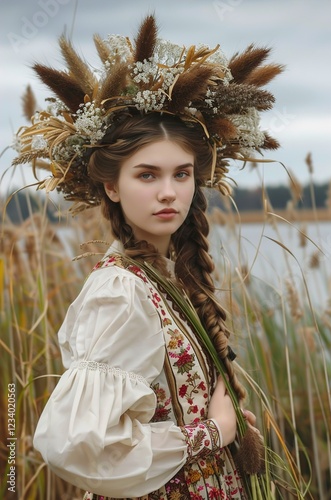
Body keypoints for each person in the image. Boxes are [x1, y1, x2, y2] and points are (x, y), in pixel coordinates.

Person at [12, 14, 283, 499]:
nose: (168, 193)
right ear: (111, 187)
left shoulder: (162, 277)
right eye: (147, 175)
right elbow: (77, 444)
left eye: (181, 174)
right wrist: (211, 434)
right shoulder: (119, 292)